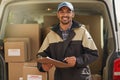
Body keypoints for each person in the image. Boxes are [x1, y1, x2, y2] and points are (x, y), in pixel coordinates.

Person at [36, 1, 99, 80]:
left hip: (80, 76)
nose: (65, 15)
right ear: (58, 15)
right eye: (62, 12)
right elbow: (40, 56)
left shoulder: (82, 32)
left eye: (68, 12)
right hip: (60, 77)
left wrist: (77, 60)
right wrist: (42, 66)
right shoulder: (51, 35)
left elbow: (93, 54)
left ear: (73, 14)